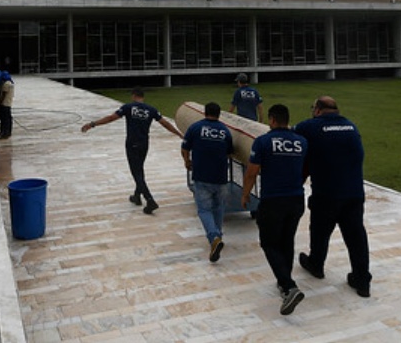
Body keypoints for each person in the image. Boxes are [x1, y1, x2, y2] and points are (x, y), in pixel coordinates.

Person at [293, 96, 372, 298]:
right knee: (356, 238)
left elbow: (290, 140)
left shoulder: (308, 127)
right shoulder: (351, 126)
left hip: (326, 193)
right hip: (354, 193)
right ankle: (362, 280)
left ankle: (316, 264)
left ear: (318, 110)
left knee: (319, 231)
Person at [242, 103, 308, 315]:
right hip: (296, 199)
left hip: (273, 201)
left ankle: (289, 287)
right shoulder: (302, 142)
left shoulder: (262, 142)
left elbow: (252, 173)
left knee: (269, 242)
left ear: (271, 120)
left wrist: (245, 195)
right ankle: (284, 281)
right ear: (287, 119)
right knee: (286, 241)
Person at [81, 87, 180, 214]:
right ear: (142, 97)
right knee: (139, 169)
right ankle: (136, 196)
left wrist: (92, 124)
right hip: (144, 144)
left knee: (136, 172)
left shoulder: (128, 107)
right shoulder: (151, 110)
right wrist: (178, 133)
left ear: (133, 96)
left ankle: (150, 200)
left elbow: (111, 118)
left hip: (132, 143)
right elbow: (165, 123)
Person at [181, 102, 234, 263]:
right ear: (219, 114)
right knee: (218, 208)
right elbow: (230, 152)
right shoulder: (225, 131)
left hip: (202, 176)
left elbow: (185, 147)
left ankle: (214, 237)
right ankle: (218, 235)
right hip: (220, 177)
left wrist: (187, 161)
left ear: (204, 113)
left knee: (204, 210)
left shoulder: (195, 128)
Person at [0, 71, 14, 139]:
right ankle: (8, 132)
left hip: (4, 104)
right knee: (8, 119)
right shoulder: (11, 83)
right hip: (8, 104)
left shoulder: (6, 84)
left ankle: (4, 133)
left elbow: (3, 95)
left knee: (4, 120)